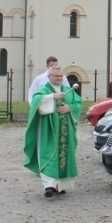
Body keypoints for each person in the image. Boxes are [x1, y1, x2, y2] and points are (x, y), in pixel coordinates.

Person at [24, 66, 82, 197]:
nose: (59, 79)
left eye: (61, 76)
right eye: (56, 76)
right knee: (48, 154)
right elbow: (36, 102)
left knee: (64, 156)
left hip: (65, 131)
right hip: (48, 131)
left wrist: (70, 108)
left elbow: (78, 104)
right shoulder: (44, 90)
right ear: (49, 77)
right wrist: (52, 97)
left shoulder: (69, 91)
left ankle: (61, 186)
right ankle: (49, 186)